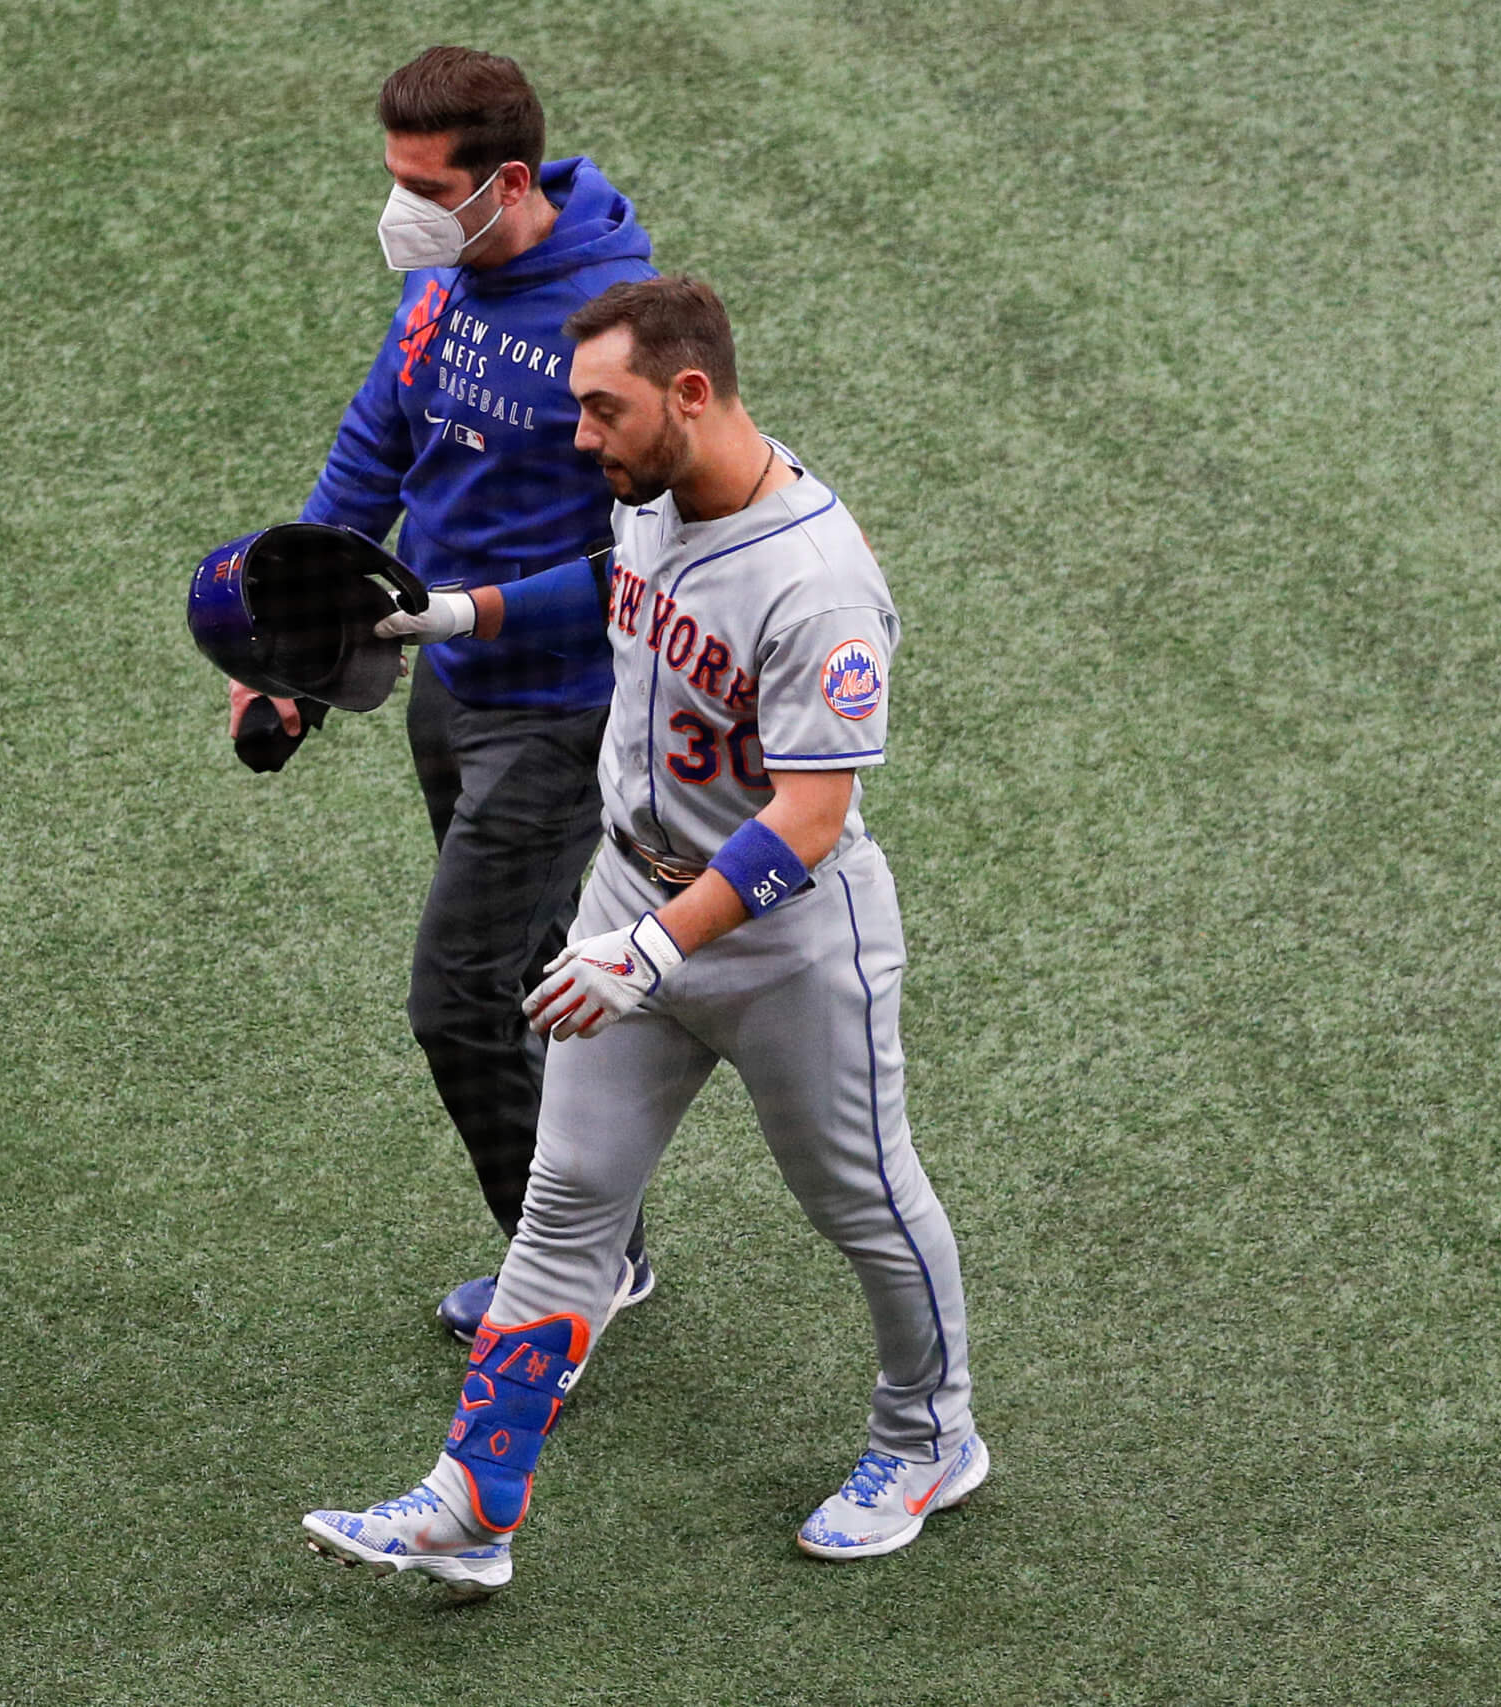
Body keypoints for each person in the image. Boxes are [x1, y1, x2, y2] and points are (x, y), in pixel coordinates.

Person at [300, 276, 984, 1600]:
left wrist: (656, 952)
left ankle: (930, 1435)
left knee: (862, 1199)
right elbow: (620, 578)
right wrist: (464, 615)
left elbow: (811, 812)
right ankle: (470, 1505)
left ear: (687, 394)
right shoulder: (662, 499)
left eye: (603, 410)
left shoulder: (816, 579)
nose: (581, 438)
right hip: (633, 904)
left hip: (789, 948)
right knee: (563, 1209)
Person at [230, 47, 661, 1339]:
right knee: (524, 975)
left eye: (426, 184)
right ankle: (605, 1242)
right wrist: (289, 648)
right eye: (395, 178)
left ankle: (568, 1279)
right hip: (448, 687)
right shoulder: (442, 283)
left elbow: (640, 560)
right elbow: (379, 441)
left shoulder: (613, 329)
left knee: (460, 996)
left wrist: (468, 612)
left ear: (508, 180)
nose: (402, 210)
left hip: (563, 711)